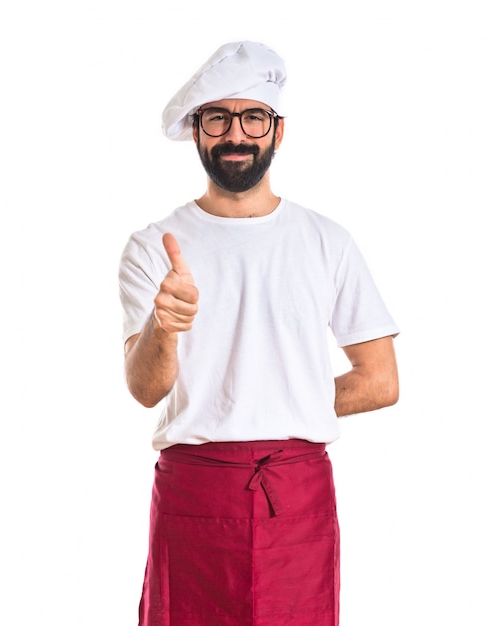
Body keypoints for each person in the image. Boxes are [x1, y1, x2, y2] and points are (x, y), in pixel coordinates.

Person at [119, 40, 399, 626]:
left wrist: (275, 404)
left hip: (296, 493)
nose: (236, 134)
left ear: (277, 130)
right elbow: (146, 390)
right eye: (217, 117)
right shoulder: (153, 246)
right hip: (195, 493)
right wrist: (165, 327)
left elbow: (380, 382)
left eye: (254, 117)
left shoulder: (327, 241)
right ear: (197, 131)